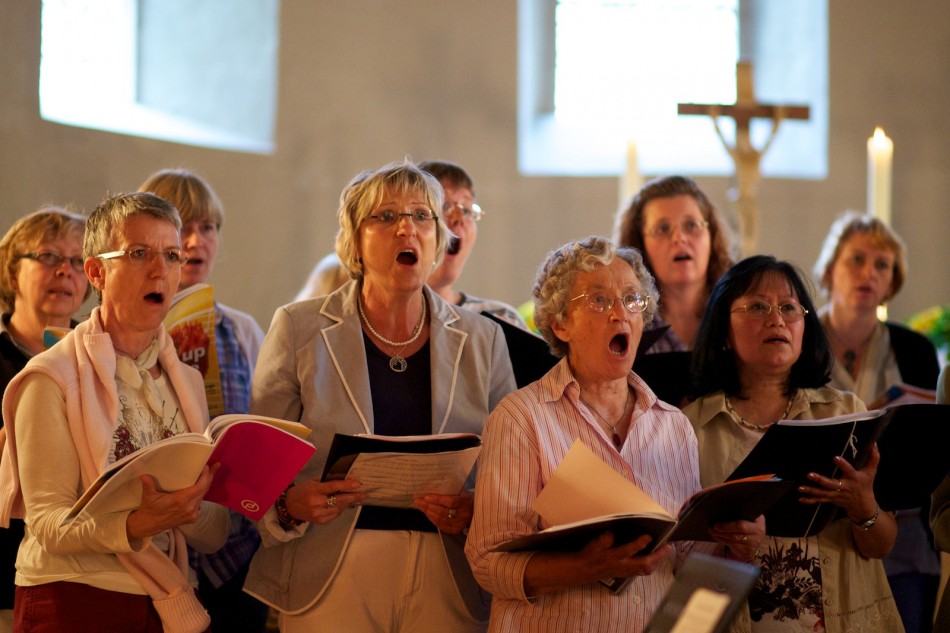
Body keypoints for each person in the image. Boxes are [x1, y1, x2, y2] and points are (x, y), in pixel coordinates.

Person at [243, 161, 516, 632]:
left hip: (447, 566)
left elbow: (510, 462)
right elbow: (257, 467)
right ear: (354, 240)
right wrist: (290, 504)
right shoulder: (299, 328)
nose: (406, 227)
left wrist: (476, 511)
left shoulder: (484, 338)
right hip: (329, 565)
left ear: (438, 239)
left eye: (421, 216)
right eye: (385, 216)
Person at [464, 235, 760, 631]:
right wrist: (584, 567)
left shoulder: (673, 425)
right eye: (599, 301)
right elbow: (488, 562)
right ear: (560, 323)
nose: (620, 313)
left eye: (633, 300)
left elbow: (686, 559)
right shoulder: (522, 418)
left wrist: (736, 546)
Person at [0, 192, 229, 632]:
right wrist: (141, 522)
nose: (160, 270)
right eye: (139, 253)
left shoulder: (188, 382)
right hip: (71, 596)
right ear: (97, 272)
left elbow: (215, 532)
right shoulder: (51, 375)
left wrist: (188, 509)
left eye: (172, 255)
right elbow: (48, 524)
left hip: (166, 594)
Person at [683, 255, 902, 632]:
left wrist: (862, 505)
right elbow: (675, 557)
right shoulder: (691, 427)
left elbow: (881, 546)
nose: (777, 318)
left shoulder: (845, 412)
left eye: (789, 307)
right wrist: (727, 544)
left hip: (844, 617)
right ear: (722, 331)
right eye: (757, 306)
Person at [138, 168, 269, 632]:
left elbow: (263, 426)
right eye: (183, 227)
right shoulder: (121, 335)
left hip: (234, 551)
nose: (196, 242)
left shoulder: (242, 331)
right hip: (149, 549)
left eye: (208, 228)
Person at [814, 211, 940, 633]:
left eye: (881, 265)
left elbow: (932, 446)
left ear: (892, 281)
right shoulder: (798, 339)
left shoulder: (915, 350)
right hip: (818, 525)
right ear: (830, 269)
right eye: (856, 260)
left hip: (901, 530)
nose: (868, 272)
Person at [0, 206, 90, 624]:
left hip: (85, 575)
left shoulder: (100, 358)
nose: (65, 272)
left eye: (76, 262)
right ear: (12, 270)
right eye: (49, 257)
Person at [613, 175, 734, 353]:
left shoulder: (739, 309)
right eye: (662, 229)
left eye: (691, 225)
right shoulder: (625, 321)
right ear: (639, 244)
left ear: (712, 234)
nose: (680, 238)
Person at [417, 160, 528, 329]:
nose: (458, 218)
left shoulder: (500, 320)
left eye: (467, 210)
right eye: (444, 206)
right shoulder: (375, 320)